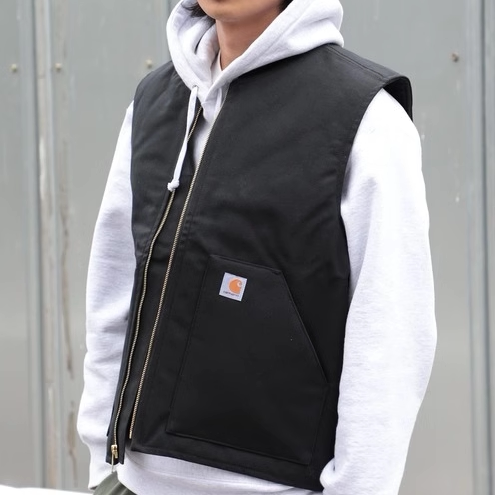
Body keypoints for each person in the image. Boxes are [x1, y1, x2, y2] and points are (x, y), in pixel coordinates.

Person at [77, 0, 437, 494]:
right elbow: (114, 293)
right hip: (132, 483)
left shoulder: (366, 119)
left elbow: (390, 341)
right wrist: (102, 466)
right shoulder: (155, 102)